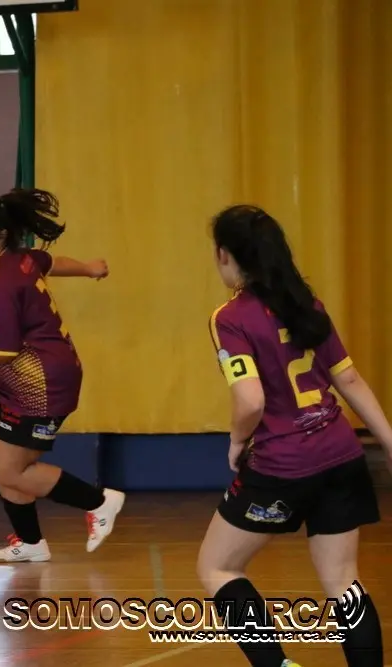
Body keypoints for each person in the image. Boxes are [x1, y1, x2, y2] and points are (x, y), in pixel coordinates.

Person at [198, 204, 388, 667]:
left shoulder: (230, 317)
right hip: (341, 454)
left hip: (284, 465)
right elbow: (349, 380)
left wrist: (236, 440)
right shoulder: (305, 303)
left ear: (224, 254)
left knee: (217, 567)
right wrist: (388, 441)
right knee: (344, 581)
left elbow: (251, 401)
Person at [0, 187, 127, 564]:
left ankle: (100, 502)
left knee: (12, 470)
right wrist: (88, 268)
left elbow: (5, 349)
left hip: (40, 384)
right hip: (22, 382)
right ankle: (30, 543)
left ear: (1, 235)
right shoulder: (20, 259)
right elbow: (52, 261)